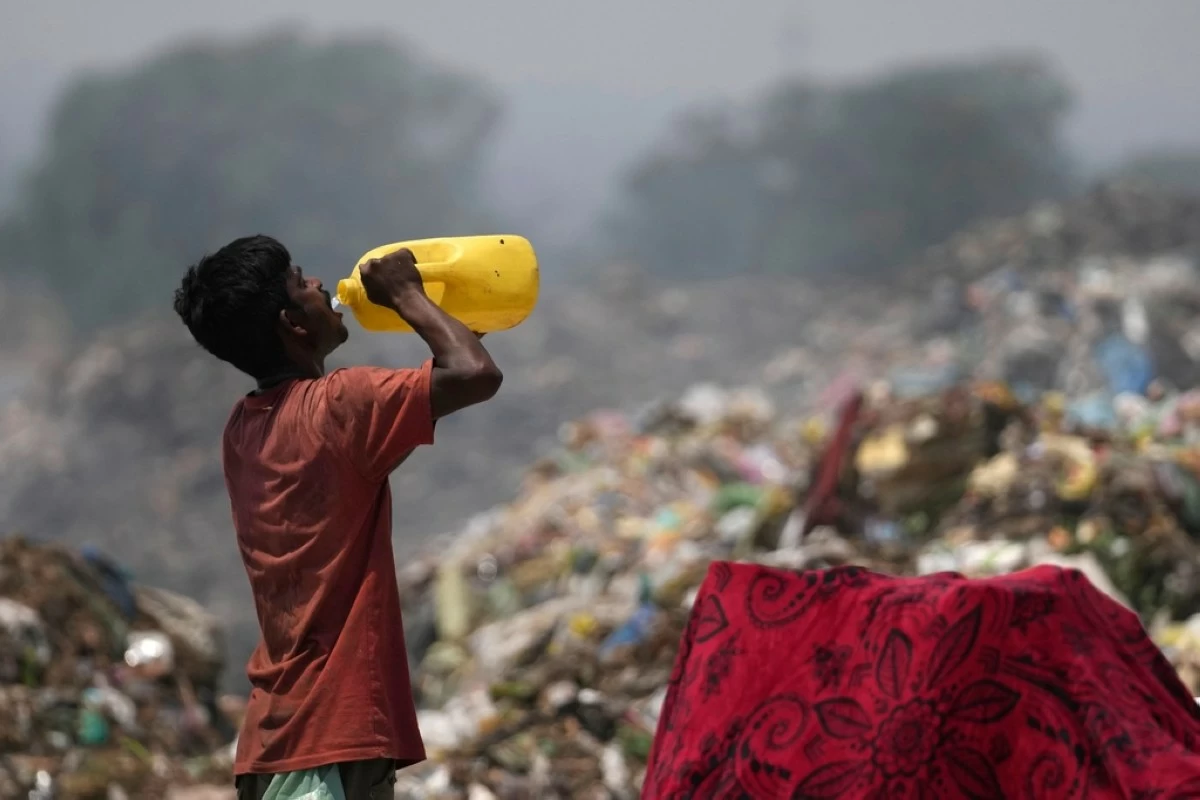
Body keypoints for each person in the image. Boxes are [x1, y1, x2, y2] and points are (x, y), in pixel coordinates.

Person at [173, 236, 502, 799]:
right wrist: (406, 296)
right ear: (292, 323)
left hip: (271, 742)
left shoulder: (243, 429)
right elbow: (475, 373)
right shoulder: (341, 404)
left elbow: (379, 447)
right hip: (334, 739)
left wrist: (451, 316)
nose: (322, 286)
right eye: (303, 282)